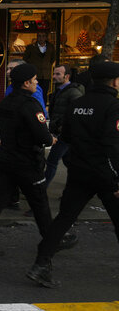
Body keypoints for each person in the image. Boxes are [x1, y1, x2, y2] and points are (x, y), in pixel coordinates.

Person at [27, 61, 119, 288]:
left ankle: (41, 264)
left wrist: (73, 161)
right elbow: (113, 146)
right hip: (105, 174)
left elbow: (65, 136)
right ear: (115, 81)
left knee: (64, 219)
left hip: (79, 171)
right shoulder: (113, 106)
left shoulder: (77, 104)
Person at [0, 63, 76, 257]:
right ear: (26, 83)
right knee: (40, 202)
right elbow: (41, 135)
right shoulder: (30, 105)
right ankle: (51, 240)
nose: (37, 83)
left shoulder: (5, 102)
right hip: (27, 161)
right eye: (35, 80)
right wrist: (51, 139)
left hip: (6, 158)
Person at [45, 64, 84, 185]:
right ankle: (76, 186)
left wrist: (62, 126)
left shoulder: (73, 92)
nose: (54, 76)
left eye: (58, 74)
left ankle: (41, 189)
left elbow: (77, 112)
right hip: (61, 132)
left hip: (65, 134)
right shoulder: (58, 91)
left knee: (52, 161)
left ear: (66, 76)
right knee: (69, 162)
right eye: (54, 73)